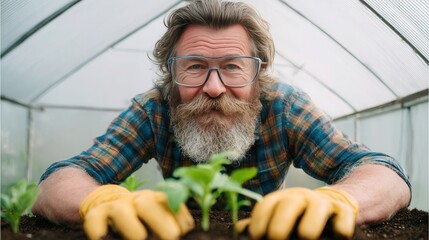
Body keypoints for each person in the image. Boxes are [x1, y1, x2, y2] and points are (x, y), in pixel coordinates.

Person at [32, 0, 411, 239]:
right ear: (171, 73)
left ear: (258, 74)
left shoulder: (284, 108)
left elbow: (380, 171)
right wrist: (98, 200)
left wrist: (340, 200)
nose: (214, 88)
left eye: (232, 66)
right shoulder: (155, 110)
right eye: (195, 67)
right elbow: (61, 179)